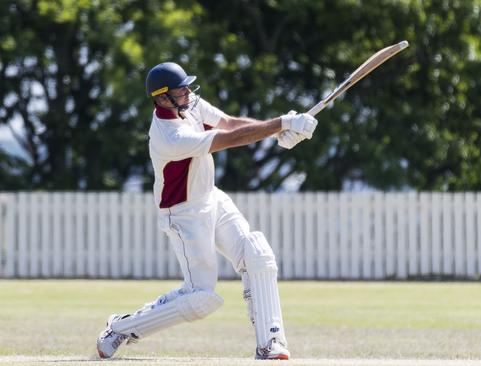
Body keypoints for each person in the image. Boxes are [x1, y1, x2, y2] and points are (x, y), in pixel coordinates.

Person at [96, 62, 317, 360]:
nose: (188, 92)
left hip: (211, 197)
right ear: (162, 98)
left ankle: (271, 343)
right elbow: (228, 140)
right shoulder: (168, 135)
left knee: (258, 254)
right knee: (200, 298)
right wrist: (281, 124)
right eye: (180, 89)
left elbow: (230, 124)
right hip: (183, 214)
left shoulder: (189, 105)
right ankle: (121, 328)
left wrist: (277, 130)